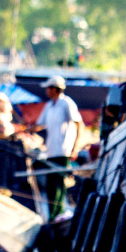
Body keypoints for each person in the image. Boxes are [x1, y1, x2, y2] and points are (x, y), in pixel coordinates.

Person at [36, 75, 83, 219]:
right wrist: (25, 130)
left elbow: (78, 124)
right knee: (51, 185)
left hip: (63, 150)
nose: (46, 91)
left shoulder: (66, 103)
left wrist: (75, 148)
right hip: (51, 150)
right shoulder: (49, 105)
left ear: (55, 89)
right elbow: (39, 124)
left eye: (49, 88)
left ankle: (58, 213)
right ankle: (52, 215)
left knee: (58, 184)